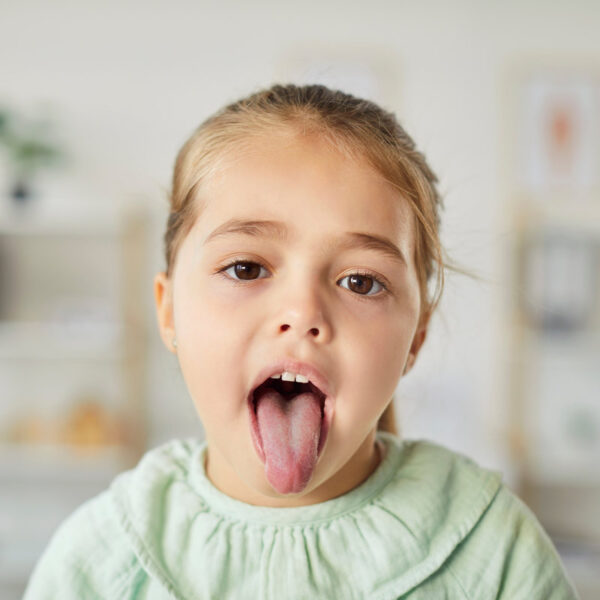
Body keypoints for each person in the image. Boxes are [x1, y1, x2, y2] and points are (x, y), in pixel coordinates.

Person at [23, 83, 578, 599]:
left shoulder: (494, 550)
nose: (302, 313)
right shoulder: (101, 558)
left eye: (360, 282)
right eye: (245, 268)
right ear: (169, 311)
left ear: (416, 338)